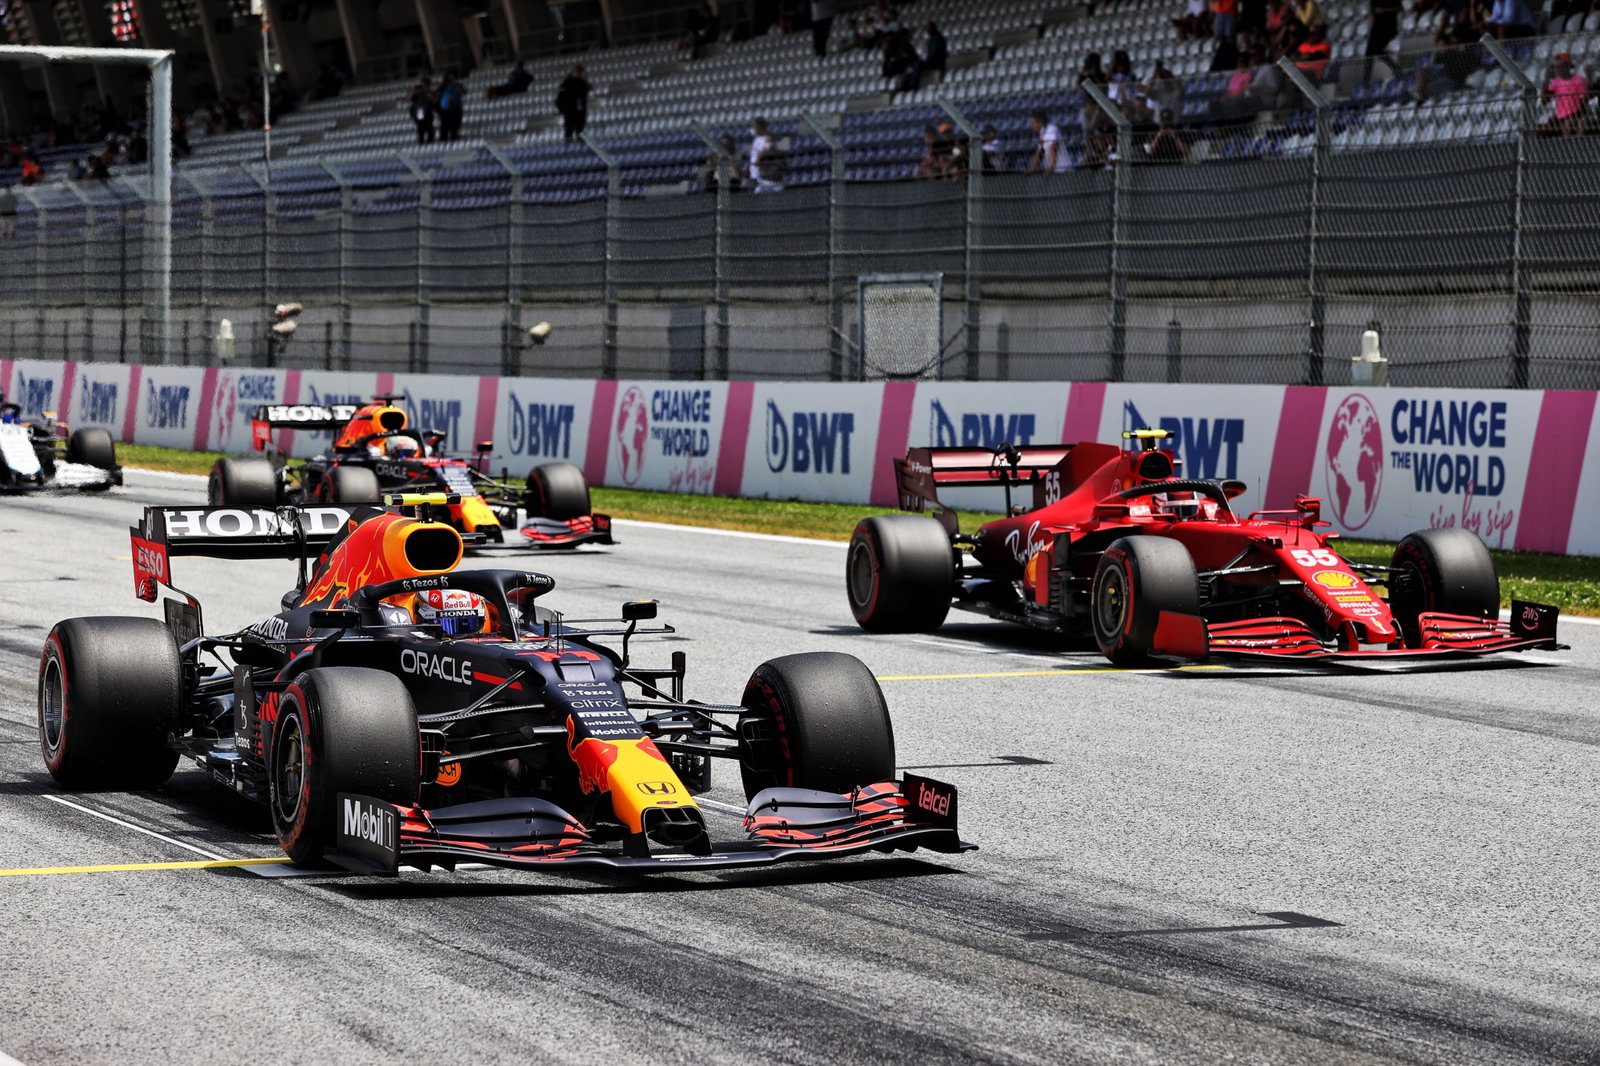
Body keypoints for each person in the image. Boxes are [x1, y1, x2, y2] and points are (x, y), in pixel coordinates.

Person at [1542, 54, 1589, 135]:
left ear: (1569, 67)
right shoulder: (1555, 83)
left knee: (1577, 124)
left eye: (1562, 66)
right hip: (1562, 116)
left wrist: (1574, 116)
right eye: (1557, 67)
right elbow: (1544, 101)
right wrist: (1546, 80)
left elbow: (1583, 100)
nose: (1559, 70)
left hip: (1578, 113)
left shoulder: (1579, 80)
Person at [747, 117, 784, 192]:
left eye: (754, 126)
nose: (752, 129)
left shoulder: (769, 137)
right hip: (755, 173)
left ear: (759, 127)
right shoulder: (756, 139)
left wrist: (758, 159)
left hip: (766, 174)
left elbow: (767, 148)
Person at [1025, 109, 1067, 173]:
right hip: (1055, 172)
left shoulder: (1051, 129)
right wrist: (1031, 169)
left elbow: (1053, 147)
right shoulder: (1042, 133)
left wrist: (1051, 167)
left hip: (1063, 171)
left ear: (1039, 122)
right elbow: (1039, 152)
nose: (1031, 125)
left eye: (1033, 122)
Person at [556, 65, 590, 141]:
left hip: (579, 109)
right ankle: (569, 143)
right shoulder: (568, 81)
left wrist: (583, 78)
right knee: (569, 129)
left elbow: (588, 88)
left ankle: (580, 142)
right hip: (569, 109)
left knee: (580, 130)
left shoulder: (582, 82)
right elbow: (559, 86)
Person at [436, 70, 464, 142]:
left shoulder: (457, 85)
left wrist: (458, 85)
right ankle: (444, 138)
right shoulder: (444, 85)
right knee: (445, 124)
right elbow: (435, 90)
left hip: (455, 107)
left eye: (453, 76)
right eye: (450, 76)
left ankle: (454, 136)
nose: (451, 77)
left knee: (455, 123)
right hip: (445, 108)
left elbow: (464, 92)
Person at [408, 76, 436, 145]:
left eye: (426, 85)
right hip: (419, 110)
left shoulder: (430, 92)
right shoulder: (417, 92)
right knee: (420, 126)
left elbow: (433, 100)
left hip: (428, 111)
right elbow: (409, 99)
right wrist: (413, 90)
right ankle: (421, 140)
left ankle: (430, 140)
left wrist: (427, 92)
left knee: (429, 126)